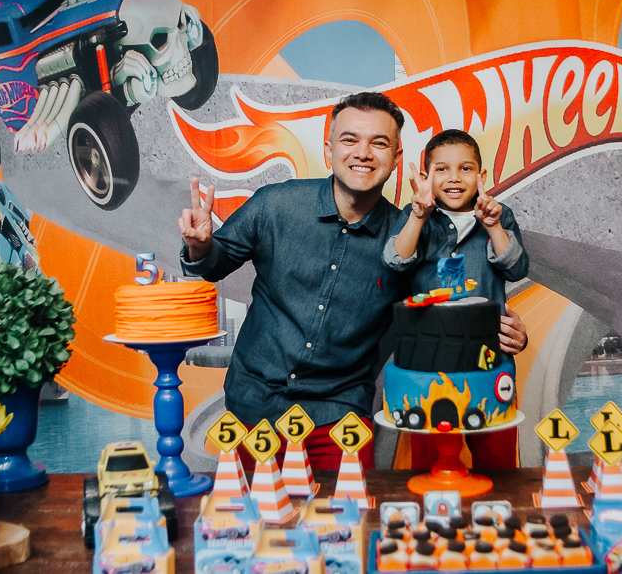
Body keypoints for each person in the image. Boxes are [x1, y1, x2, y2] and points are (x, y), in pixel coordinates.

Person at [179, 93, 528, 471]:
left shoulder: (408, 237)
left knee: (351, 511)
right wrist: (201, 246)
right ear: (329, 151)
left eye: (379, 143)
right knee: (251, 506)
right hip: (253, 405)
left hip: (339, 416)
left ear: (397, 157)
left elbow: (443, 304)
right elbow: (214, 264)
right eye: (349, 140)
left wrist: (504, 331)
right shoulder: (275, 204)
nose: (363, 152)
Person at [384, 129, 529, 469]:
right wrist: (418, 215)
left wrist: (492, 225)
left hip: (488, 362)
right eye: (442, 169)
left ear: (481, 176)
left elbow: (516, 267)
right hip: (429, 366)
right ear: (425, 177)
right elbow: (394, 261)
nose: (454, 178)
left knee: (497, 461)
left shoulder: (500, 215)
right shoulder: (415, 215)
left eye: (465, 169)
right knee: (428, 461)